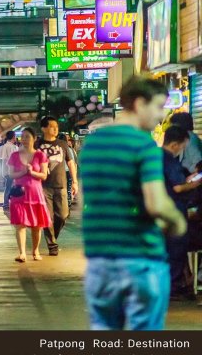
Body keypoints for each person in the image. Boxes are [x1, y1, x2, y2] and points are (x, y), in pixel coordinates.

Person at [80, 76, 187, 330]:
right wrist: (177, 223)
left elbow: (85, 201)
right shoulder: (144, 146)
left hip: (100, 260)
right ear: (140, 103)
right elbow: (156, 203)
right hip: (140, 259)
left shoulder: (92, 144)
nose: (161, 117)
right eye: (159, 107)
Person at [161, 126, 201, 300]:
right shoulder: (170, 160)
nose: (183, 149)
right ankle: (173, 287)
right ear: (175, 144)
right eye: (183, 146)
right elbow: (177, 187)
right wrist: (195, 184)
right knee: (176, 249)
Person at [7, 128, 51, 262]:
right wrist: (23, 172)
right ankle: (22, 253)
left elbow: (44, 175)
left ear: (34, 138)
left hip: (35, 194)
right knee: (20, 225)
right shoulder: (14, 155)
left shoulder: (40, 155)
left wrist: (31, 173)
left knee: (36, 226)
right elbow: (11, 174)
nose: (24, 139)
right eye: (23, 137)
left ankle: (35, 251)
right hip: (19, 194)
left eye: (27, 137)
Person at [36, 116, 78, 256]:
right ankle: (52, 246)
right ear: (44, 128)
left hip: (61, 185)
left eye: (56, 126)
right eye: (52, 126)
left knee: (63, 215)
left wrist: (75, 181)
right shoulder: (37, 144)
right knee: (47, 217)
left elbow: (71, 163)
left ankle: (53, 237)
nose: (55, 129)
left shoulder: (62, 144)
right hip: (43, 186)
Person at [0, 131, 19, 210]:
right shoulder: (12, 147)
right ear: (13, 137)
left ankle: (7, 203)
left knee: (8, 187)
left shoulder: (3, 146)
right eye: (15, 136)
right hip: (12, 171)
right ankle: (7, 203)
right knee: (10, 187)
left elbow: (0, 156)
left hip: (5, 170)